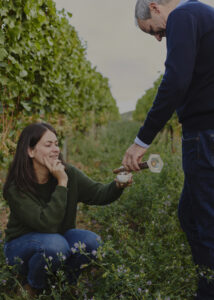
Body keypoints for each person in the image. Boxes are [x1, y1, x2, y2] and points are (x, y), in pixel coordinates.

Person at [122, 0, 214, 299]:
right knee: (189, 213)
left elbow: (175, 81)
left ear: (155, 7)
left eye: (153, 31)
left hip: (203, 134)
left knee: (204, 222)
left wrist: (141, 142)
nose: (159, 38)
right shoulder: (204, 14)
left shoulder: (184, 16)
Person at [3, 122, 132, 296]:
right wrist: (62, 184)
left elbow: (98, 193)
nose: (56, 149)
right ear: (30, 151)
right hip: (21, 249)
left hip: (57, 242)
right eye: (48, 145)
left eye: (56, 144)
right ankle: (33, 286)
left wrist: (118, 185)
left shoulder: (68, 172)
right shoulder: (17, 187)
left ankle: (64, 283)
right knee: (56, 245)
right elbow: (46, 224)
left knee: (92, 243)